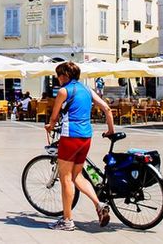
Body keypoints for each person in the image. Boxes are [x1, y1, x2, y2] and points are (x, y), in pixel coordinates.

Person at [44, 61, 114, 232]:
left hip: (70, 136)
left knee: (66, 178)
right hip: (86, 137)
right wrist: (110, 130)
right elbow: (106, 108)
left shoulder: (63, 91)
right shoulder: (87, 89)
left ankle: (67, 221)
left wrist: (49, 126)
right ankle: (99, 204)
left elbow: (54, 117)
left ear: (65, 76)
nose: (58, 79)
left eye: (58, 75)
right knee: (77, 176)